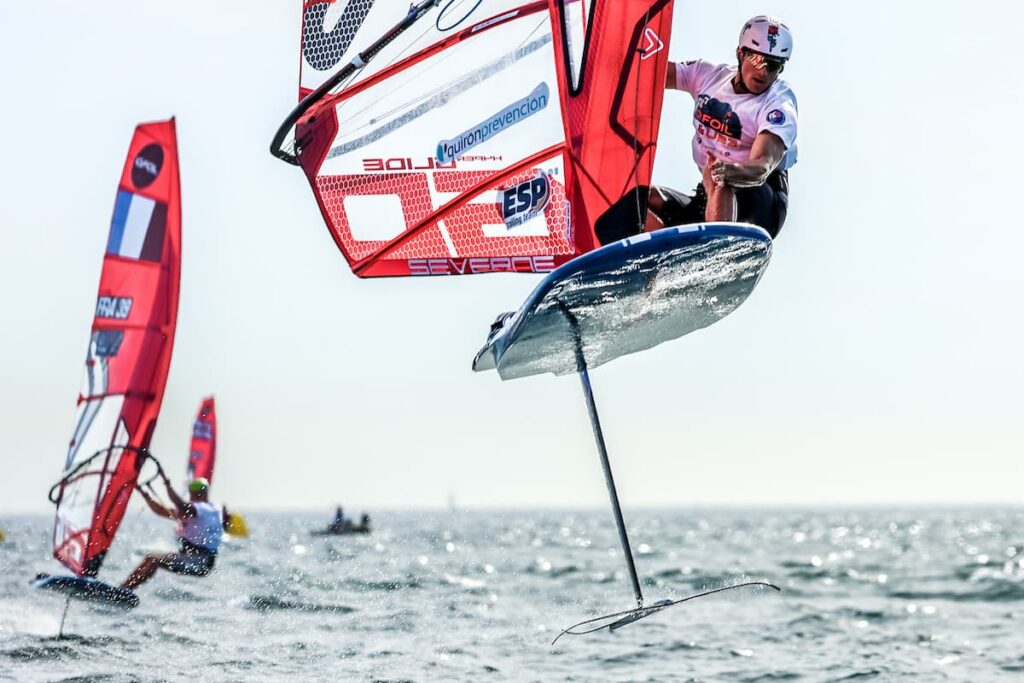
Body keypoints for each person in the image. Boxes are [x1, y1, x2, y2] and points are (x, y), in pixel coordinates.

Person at [644, 15, 798, 240]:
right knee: (638, 198)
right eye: (757, 60)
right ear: (740, 53)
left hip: (760, 204)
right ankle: (656, 265)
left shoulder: (778, 104)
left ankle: (715, 253)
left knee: (720, 179)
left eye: (773, 65)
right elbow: (647, 74)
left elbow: (762, 166)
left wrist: (725, 171)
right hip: (711, 198)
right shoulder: (707, 76)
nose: (763, 71)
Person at [121, 476, 222, 590]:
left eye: (193, 493)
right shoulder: (195, 513)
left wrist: (167, 485)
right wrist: (144, 494)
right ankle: (123, 588)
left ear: (198, 493)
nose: (191, 496)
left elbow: (181, 504)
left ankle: (125, 590)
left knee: (154, 560)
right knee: (151, 558)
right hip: (193, 558)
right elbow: (160, 510)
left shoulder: (206, 509)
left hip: (200, 561)